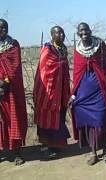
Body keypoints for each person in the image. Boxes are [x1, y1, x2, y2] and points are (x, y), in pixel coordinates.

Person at [71, 22, 106, 166]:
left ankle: (105, 150)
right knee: (86, 119)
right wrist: (74, 93)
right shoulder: (77, 49)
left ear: (90, 31)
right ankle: (93, 152)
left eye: (86, 30)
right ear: (78, 33)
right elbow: (77, 72)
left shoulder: (100, 45)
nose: (84, 32)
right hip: (84, 89)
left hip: (100, 87)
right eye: (81, 31)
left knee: (101, 118)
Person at [33, 26, 71, 159]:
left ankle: (56, 145)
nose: (61, 35)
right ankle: (46, 146)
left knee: (59, 116)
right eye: (58, 33)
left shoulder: (63, 50)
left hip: (61, 91)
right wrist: (59, 66)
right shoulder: (47, 49)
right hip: (47, 91)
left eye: (62, 32)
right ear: (52, 35)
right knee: (47, 117)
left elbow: (65, 69)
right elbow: (44, 69)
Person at [0, 19, 28, 165]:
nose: (3, 30)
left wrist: (5, 81)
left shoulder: (13, 45)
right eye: (0, 28)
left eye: (5, 27)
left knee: (13, 119)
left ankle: (16, 152)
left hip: (10, 89)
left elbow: (15, 67)